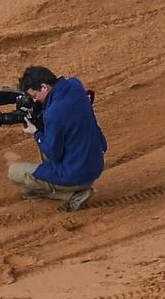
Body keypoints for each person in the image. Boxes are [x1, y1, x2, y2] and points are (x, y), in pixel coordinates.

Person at [8, 64, 105, 209]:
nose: (34, 100)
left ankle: (71, 194)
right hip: (95, 163)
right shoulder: (75, 84)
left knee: (14, 172)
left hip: (78, 174)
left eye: (34, 96)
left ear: (44, 87)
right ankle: (60, 187)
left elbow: (54, 153)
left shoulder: (53, 114)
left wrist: (35, 132)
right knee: (49, 135)